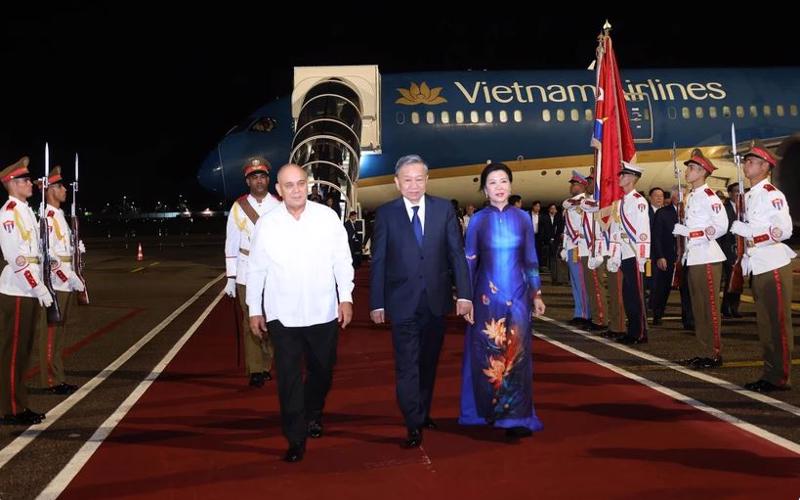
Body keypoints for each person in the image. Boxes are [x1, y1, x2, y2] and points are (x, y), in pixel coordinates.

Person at [247, 164, 354, 462]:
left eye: (300, 183)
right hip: (283, 315)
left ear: (307, 185)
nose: (296, 189)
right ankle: (295, 437)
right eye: (289, 185)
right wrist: (255, 310)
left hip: (323, 312)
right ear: (278, 190)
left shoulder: (327, 218)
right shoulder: (267, 224)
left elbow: (342, 261)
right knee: (289, 377)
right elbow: (256, 269)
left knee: (323, 370)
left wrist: (345, 298)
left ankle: (313, 412)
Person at [369, 154, 472, 449]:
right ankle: (413, 422)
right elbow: (379, 261)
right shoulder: (386, 214)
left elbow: (456, 254)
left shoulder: (444, 210)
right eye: (407, 180)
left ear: (427, 180)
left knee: (428, 362)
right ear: (397, 183)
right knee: (407, 365)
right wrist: (377, 302)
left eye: (419, 179)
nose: (414, 186)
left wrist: (463, 294)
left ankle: (423, 411)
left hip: (436, 302)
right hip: (401, 303)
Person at [458, 163, 545, 439]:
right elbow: (469, 261)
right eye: (493, 182)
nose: (499, 187)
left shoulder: (522, 218)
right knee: (489, 354)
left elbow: (531, 259)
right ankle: (488, 411)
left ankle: (516, 417)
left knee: (517, 356)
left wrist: (537, 293)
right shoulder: (477, 221)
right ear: (485, 189)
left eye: (503, 181)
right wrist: (466, 298)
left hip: (518, 297)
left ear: (511, 185)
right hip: (485, 298)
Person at [730, 142, 795, 392]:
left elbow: (784, 230)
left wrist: (751, 234)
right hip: (758, 263)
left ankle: (780, 376)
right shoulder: (750, 195)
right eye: (746, 161)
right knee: (765, 324)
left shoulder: (772, 195)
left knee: (777, 323)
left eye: (751, 161)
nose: (746, 164)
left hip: (773, 263)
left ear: (765, 166)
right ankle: (771, 373)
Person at [0, 157, 50, 425]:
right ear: (11, 183)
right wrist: (37, 285)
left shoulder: (25, 210)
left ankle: (17, 405)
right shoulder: (9, 213)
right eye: (26, 180)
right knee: (13, 354)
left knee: (23, 352)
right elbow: (15, 258)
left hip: (27, 290)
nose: (31, 183)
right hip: (18, 289)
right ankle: (11, 409)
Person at [224, 157, 280, 387]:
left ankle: (267, 363)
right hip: (247, 272)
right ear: (248, 181)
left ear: (268, 179)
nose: (259, 181)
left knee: (274, 322)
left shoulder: (279, 205)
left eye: (262, 176)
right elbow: (231, 243)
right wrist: (231, 277)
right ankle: (255, 369)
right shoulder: (239, 207)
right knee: (251, 321)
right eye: (254, 177)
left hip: (273, 273)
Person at [672, 150, 728, 369]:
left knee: (710, 308)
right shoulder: (692, 195)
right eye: (688, 168)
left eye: (691, 168)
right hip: (694, 257)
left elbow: (721, 226)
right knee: (699, 308)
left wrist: (690, 233)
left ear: (703, 172)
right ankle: (704, 351)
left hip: (707, 256)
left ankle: (714, 353)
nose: (687, 171)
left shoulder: (709, 196)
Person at [37, 166, 86, 394]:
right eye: (61, 187)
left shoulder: (59, 215)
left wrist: (76, 249)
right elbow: (48, 254)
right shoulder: (47, 216)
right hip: (56, 282)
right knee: (51, 334)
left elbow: (62, 248)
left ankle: (57, 375)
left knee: (60, 333)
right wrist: (66, 275)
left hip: (65, 281)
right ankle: (52, 380)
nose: (66, 190)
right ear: (51, 190)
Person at [608, 162, 650, 345]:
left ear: (632, 178)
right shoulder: (620, 203)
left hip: (634, 254)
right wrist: (614, 255)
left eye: (623, 175)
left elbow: (643, 232)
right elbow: (616, 231)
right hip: (624, 254)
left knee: (636, 295)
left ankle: (639, 333)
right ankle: (632, 330)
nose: (620, 178)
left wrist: (642, 257)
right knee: (628, 294)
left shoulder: (639, 201)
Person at [561, 171, 591, 326]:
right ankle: (579, 312)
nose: (572, 186)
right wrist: (565, 247)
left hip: (581, 247)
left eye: (575, 184)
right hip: (572, 246)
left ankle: (585, 314)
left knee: (582, 282)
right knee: (574, 282)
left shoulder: (585, 202)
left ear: (583, 186)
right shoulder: (570, 203)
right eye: (572, 184)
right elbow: (568, 227)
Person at [651, 187, 679, 325]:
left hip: (686, 256)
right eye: (679, 194)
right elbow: (656, 237)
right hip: (667, 256)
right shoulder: (663, 213)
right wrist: (660, 256)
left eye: (685, 195)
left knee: (686, 291)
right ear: (673, 196)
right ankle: (658, 314)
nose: (682, 198)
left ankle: (689, 319)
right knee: (662, 288)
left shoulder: (692, 212)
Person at [719, 182, 742, 318]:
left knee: (739, 279)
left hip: (741, 248)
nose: (738, 194)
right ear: (730, 193)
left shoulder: (745, 209)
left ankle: (734, 307)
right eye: (735, 191)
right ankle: (726, 307)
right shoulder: (724, 208)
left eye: (740, 191)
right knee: (729, 278)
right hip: (727, 248)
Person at [540, 203, 565, 284]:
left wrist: (557, 238)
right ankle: (554, 278)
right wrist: (546, 239)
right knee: (552, 260)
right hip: (548, 241)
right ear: (549, 209)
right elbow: (542, 230)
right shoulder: (544, 218)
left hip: (557, 241)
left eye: (554, 208)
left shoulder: (559, 218)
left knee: (557, 260)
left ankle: (559, 279)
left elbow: (560, 229)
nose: (553, 210)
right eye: (551, 208)